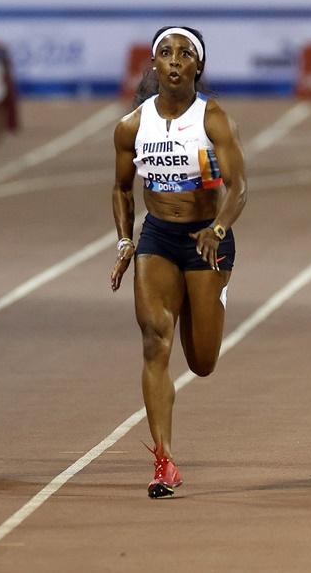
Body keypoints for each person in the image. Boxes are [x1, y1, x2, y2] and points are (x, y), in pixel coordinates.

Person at [110, 26, 247, 498]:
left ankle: (206, 297)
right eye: (164, 53)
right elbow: (120, 189)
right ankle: (164, 460)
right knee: (154, 341)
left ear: (198, 67)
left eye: (184, 54)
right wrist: (125, 243)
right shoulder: (132, 126)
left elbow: (239, 187)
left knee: (202, 361)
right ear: (153, 65)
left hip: (206, 242)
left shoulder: (214, 121)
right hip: (159, 240)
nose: (173, 60)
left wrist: (218, 228)